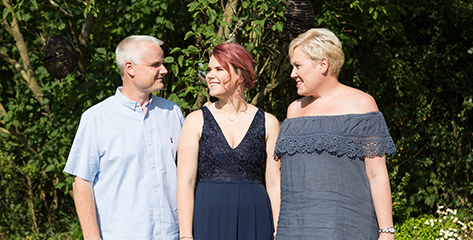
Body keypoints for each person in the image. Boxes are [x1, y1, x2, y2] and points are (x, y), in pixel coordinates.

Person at [273, 28, 397, 240]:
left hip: (348, 228)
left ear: (323, 65)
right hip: (295, 229)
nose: (292, 74)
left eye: (298, 66)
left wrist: (386, 231)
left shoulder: (362, 104)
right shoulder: (293, 110)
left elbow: (377, 174)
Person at [64, 35, 184, 240]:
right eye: (155, 65)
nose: (164, 70)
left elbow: (187, 175)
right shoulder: (97, 119)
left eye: (162, 64)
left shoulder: (173, 112)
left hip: (171, 235)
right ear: (130, 68)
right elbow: (82, 182)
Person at [176, 42, 280, 240]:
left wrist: (278, 229)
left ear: (240, 75)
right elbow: (185, 183)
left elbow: (274, 184)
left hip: (255, 216)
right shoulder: (195, 120)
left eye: (218, 69)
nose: (209, 75)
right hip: (208, 216)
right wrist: (186, 236)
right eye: (209, 69)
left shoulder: (269, 122)